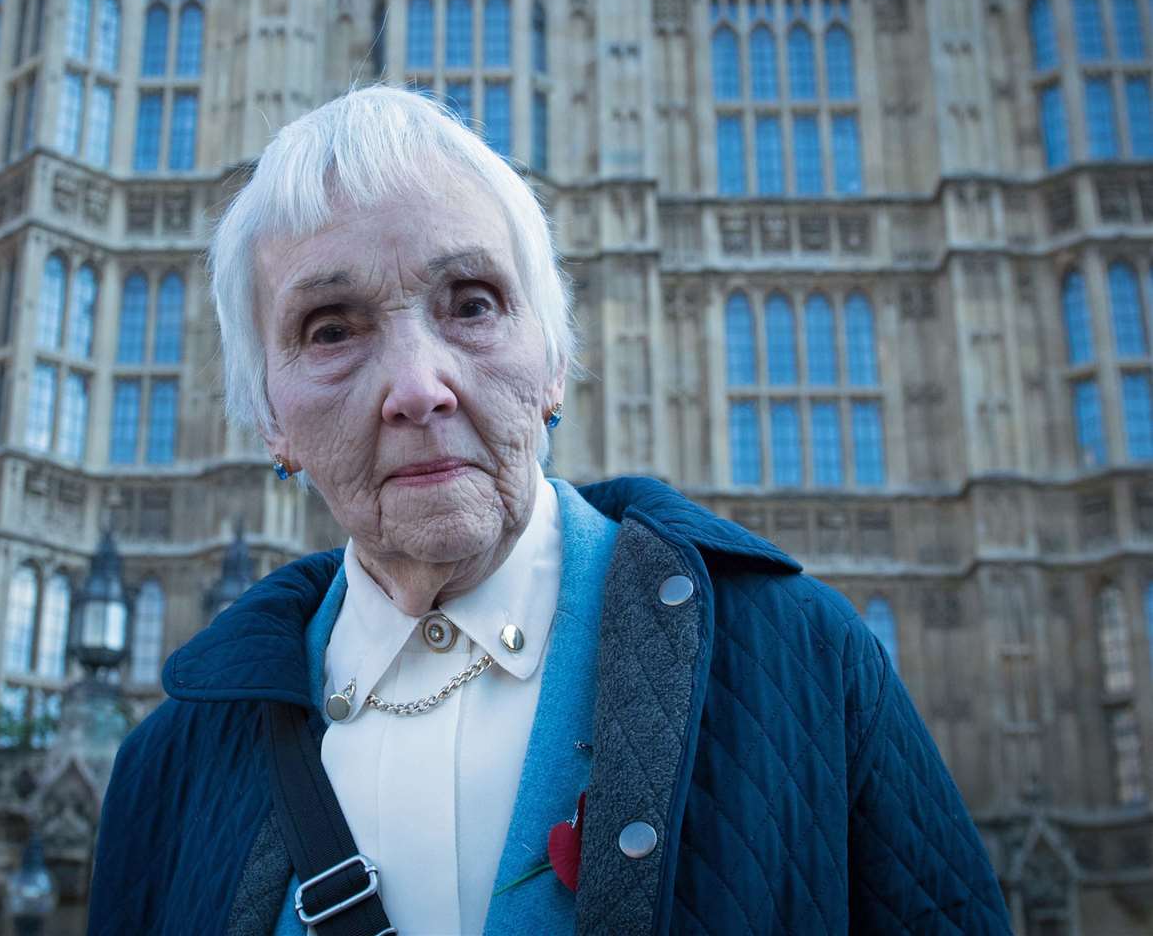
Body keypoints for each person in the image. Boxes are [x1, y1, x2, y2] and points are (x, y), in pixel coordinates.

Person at [88, 86, 1010, 934]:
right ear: (267, 421)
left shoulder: (800, 657)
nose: (419, 387)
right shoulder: (167, 773)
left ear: (555, 363)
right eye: (331, 328)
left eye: (473, 304)